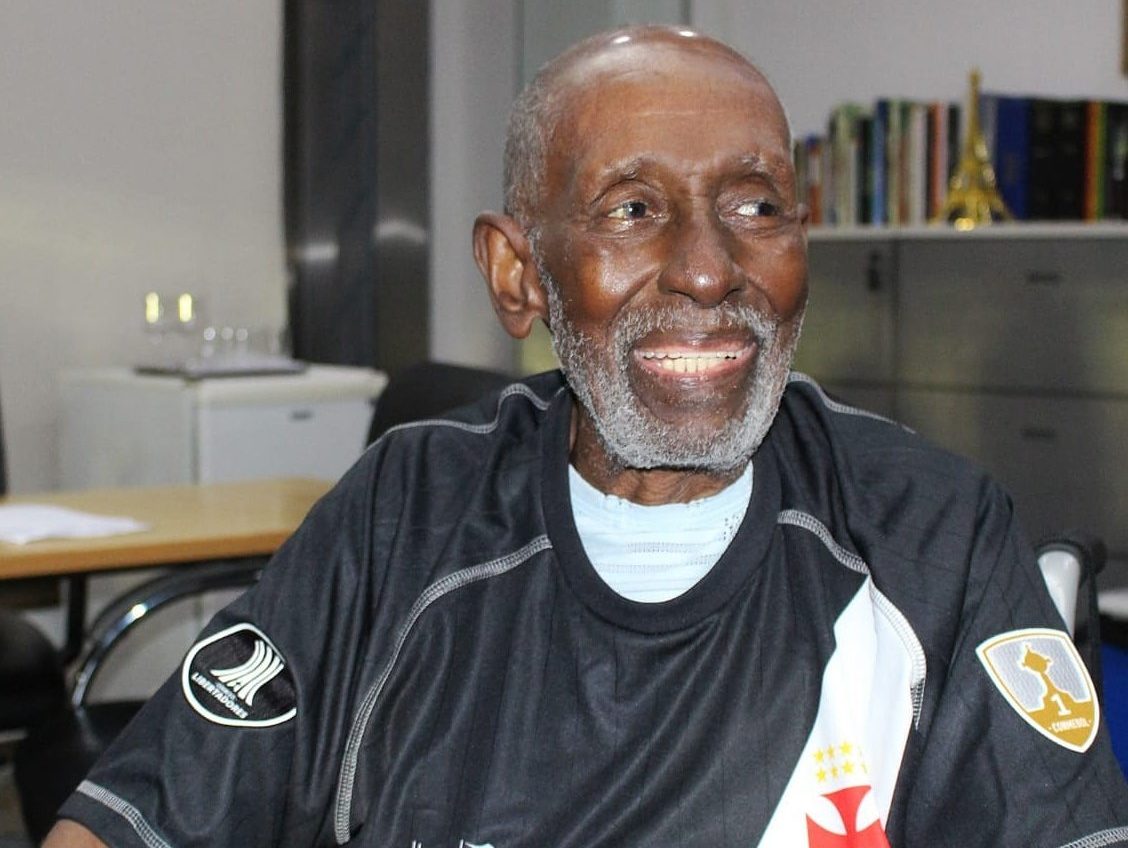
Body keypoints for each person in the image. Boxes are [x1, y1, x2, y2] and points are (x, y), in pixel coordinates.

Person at [46, 25, 1128, 848]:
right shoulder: (403, 518)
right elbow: (138, 817)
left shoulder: (930, 536)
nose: (708, 270)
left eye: (756, 207)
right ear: (519, 273)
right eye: (633, 210)